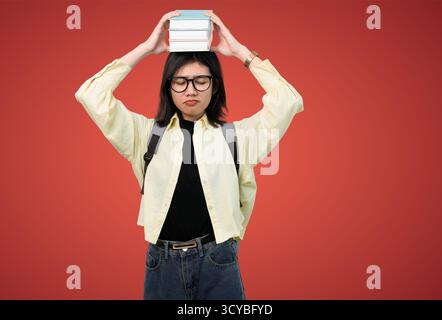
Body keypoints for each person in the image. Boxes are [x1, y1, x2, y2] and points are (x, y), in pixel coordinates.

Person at [75, 10, 304, 300]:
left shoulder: (237, 137)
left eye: (200, 80)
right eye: (180, 81)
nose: (190, 90)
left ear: (214, 85)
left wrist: (241, 53)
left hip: (219, 261)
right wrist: (147, 47)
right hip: (162, 265)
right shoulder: (145, 135)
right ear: (169, 87)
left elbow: (289, 101)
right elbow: (90, 95)